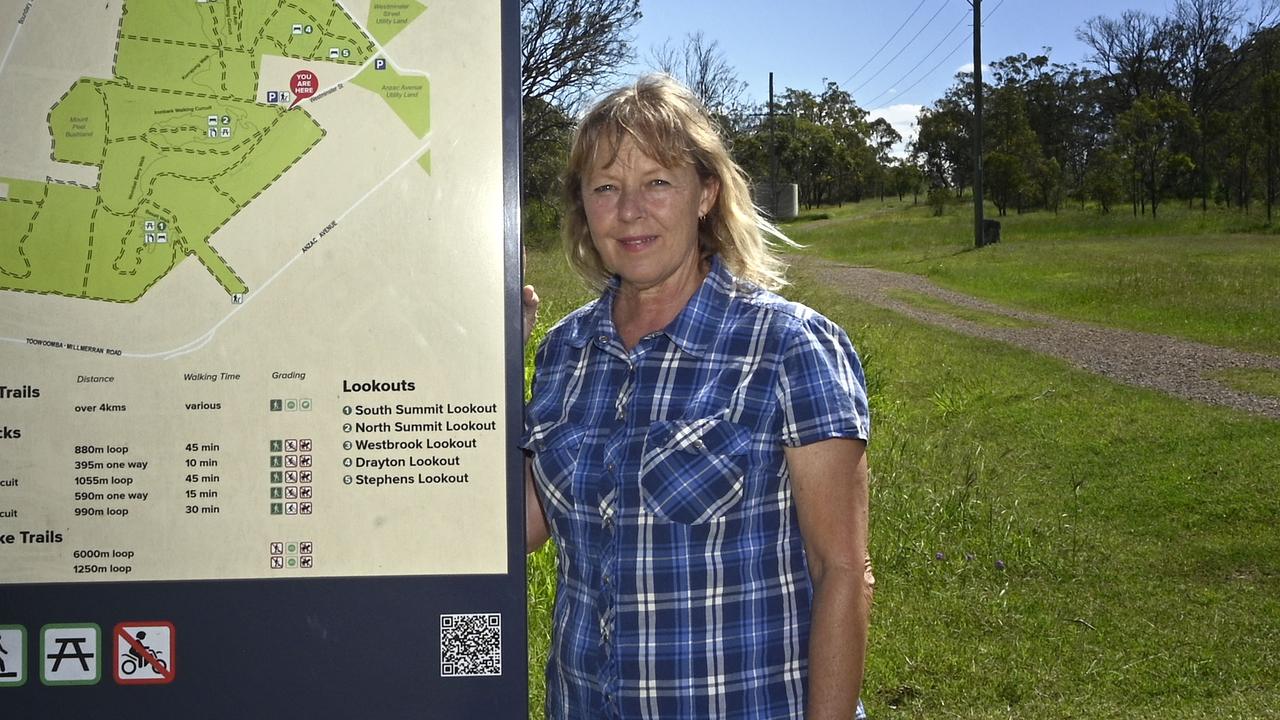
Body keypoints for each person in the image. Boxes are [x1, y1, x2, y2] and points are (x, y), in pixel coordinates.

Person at [522, 74, 872, 719]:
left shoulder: (787, 347)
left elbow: (842, 572)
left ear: (706, 193)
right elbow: (523, 528)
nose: (630, 211)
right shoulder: (565, 351)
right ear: (583, 206)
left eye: (657, 182)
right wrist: (483, 368)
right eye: (606, 187)